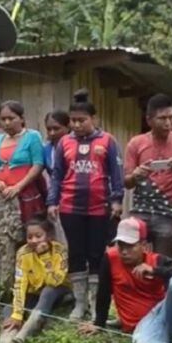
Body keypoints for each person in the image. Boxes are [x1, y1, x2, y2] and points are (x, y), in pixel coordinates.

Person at [47, 89, 124, 321]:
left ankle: (95, 303)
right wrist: (52, 201)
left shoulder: (107, 141)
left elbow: (117, 173)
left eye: (82, 120)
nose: (77, 125)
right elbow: (57, 175)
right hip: (70, 208)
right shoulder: (64, 143)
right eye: (73, 121)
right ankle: (80, 304)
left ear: (94, 119)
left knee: (96, 255)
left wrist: (117, 200)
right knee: (76, 253)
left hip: (99, 208)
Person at [0, 101, 48, 317]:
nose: (7, 123)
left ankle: (35, 290)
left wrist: (18, 186)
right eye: (3, 119)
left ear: (21, 118)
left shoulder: (32, 137)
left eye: (11, 118)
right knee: (1, 245)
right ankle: (4, 293)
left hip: (26, 197)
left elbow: (38, 165)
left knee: (29, 240)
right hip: (2, 201)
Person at [0, 218, 69, 343]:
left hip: (58, 292)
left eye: (38, 236)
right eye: (29, 237)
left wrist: (45, 256)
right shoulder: (23, 253)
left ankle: (24, 334)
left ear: (49, 236)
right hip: (34, 292)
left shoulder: (59, 250)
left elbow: (55, 281)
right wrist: (17, 315)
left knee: (48, 291)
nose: (34, 240)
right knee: (9, 309)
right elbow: (20, 284)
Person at [123, 93, 172, 258]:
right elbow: (127, 182)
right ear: (149, 120)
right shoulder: (136, 143)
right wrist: (136, 174)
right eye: (162, 118)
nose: (168, 123)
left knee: (163, 262)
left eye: (171, 117)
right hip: (140, 211)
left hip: (169, 213)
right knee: (130, 255)